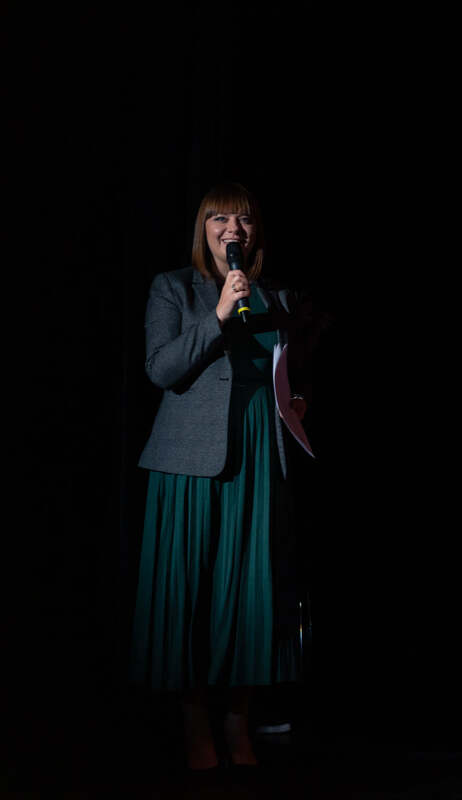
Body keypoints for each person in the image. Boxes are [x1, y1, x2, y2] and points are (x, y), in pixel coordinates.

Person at [131, 183, 310, 769]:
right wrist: (217, 315)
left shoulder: (276, 295)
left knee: (249, 595)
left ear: (256, 232)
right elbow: (162, 369)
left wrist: (296, 400)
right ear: (203, 227)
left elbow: (286, 371)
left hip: (258, 453)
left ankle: (237, 723)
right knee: (189, 593)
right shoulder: (173, 288)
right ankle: (194, 726)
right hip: (189, 460)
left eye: (245, 220)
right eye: (221, 219)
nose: (233, 228)